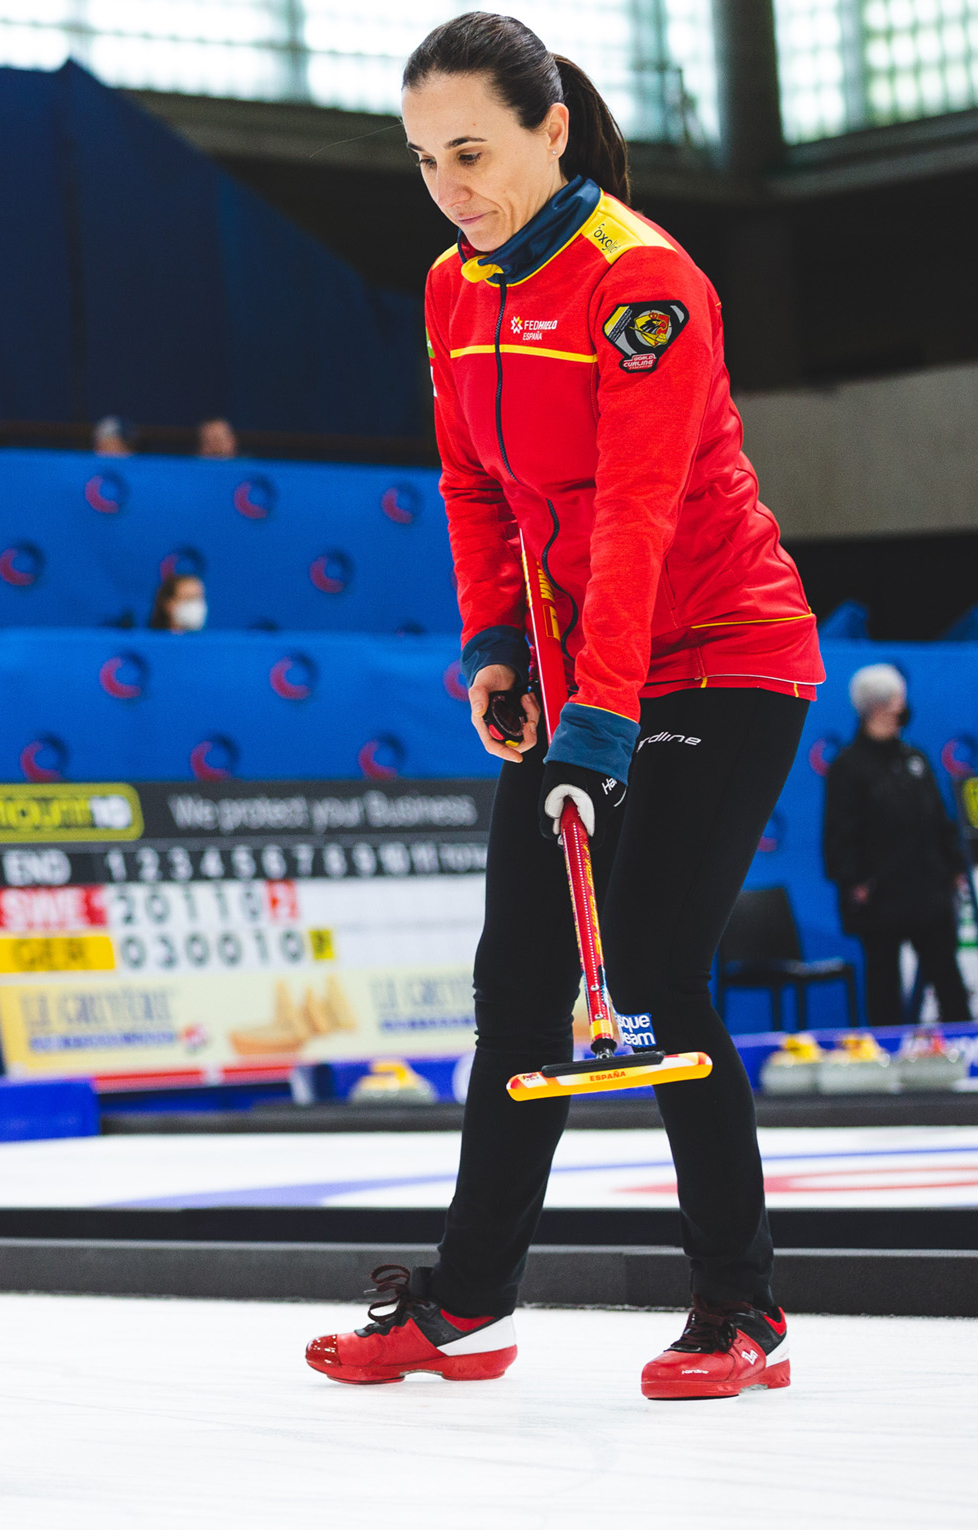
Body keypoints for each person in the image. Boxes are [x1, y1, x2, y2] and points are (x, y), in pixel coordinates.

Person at [306, 12, 821, 1403]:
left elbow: (642, 512)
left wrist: (597, 724)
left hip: (721, 651)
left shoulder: (641, 281)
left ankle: (742, 1307)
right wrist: (494, 649)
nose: (451, 186)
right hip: (578, 655)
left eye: (471, 152)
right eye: (424, 162)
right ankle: (465, 1303)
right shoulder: (451, 289)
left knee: (653, 976)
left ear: (552, 130)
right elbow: (477, 489)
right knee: (514, 982)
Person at [823, 663, 973, 1027]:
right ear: (879, 706)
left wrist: (954, 869)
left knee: (948, 979)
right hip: (881, 897)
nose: (903, 708)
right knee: (884, 985)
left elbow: (939, 821)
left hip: (928, 891)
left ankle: (965, 1056)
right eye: (898, 700)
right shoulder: (848, 767)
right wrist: (854, 882)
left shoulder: (914, 759)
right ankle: (885, 1068)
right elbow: (838, 834)